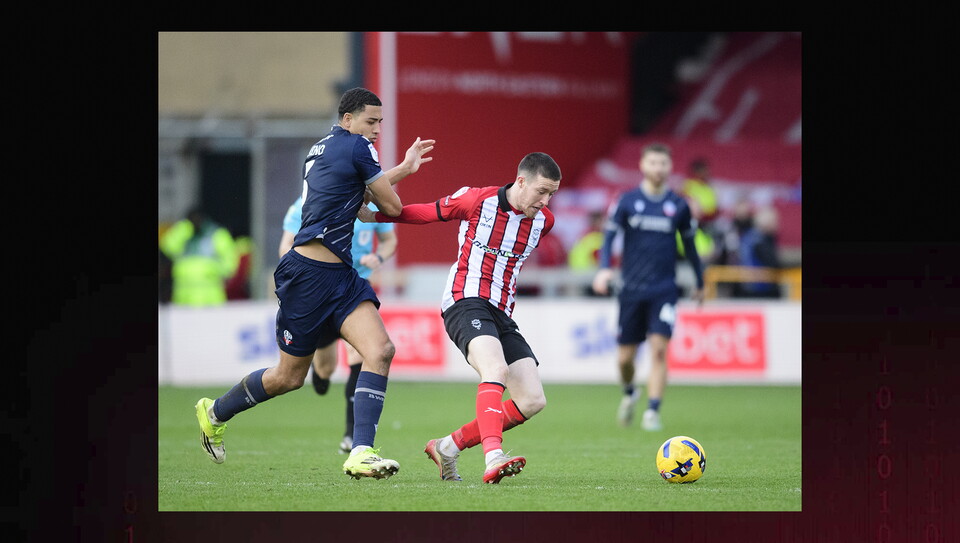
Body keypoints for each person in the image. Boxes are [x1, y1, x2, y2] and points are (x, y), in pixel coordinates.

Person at [194, 87, 435, 481]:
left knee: (381, 349)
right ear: (348, 120)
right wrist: (421, 207)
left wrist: (404, 169)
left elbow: (356, 193)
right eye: (370, 122)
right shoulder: (358, 148)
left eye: (379, 123)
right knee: (288, 378)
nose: (376, 130)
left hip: (340, 276)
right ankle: (215, 412)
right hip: (307, 277)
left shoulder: (322, 148)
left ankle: (361, 451)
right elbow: (387, 207)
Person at [359, 152, 561, 484]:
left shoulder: (544, 221)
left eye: (552, 193)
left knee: (532, 399)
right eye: (541, 191)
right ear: (521, 181)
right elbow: (428, 213)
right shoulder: (476, 200)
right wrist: (376, 218)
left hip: (502, 313)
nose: (546, 200)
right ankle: (494, 456)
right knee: (495, 369)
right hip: (464, 300)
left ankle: (448, 446)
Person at [591, 143, 704, 431]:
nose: (658, 168)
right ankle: (630, 391)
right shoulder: (627, 201)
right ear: (643, 165)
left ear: (670, 167)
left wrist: (700, 282)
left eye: (663, 163)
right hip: (631, 289)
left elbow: (690, 247)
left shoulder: (679, 206)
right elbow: (608, 238)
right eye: (653, 163)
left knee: (658, 351)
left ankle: (652, 411)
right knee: (625, 358)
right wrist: (605, 269)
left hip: (664, 289)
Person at [278, 195, 398, 454]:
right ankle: (320, 377)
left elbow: (390, 241)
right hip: (321, 289)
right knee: (326, 368)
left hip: (355, 287)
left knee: (363, 353)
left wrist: (377, 257)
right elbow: (285, 246)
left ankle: (352, 435)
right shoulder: (305, 204)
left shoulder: (371, 203)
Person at [159, 207, 239, 306]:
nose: (196, 221)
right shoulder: (184, 233)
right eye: (192, 219)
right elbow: (168, 248)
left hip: (209, 292)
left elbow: (230, 258)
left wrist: (217, 271)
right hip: (184, 293)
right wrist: (184, 228)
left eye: (198, 218)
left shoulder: (216, 234)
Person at [737, 205, 782, 298]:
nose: (777, 225)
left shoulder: (748, 236)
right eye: (774, 222)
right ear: (767, 224)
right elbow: (773, 263)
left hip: (747, 286)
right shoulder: (760, 240)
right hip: (760, 288)